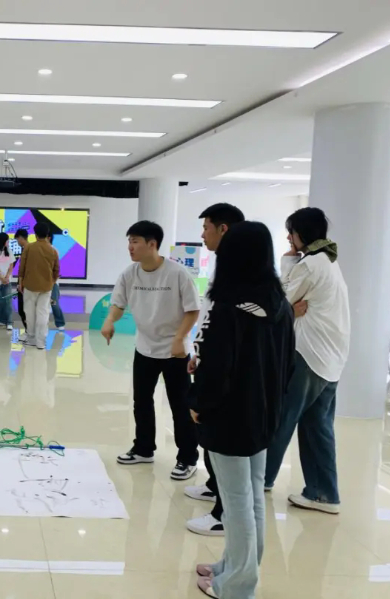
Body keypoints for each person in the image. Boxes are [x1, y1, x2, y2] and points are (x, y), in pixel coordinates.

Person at [190, 221, 295, 599]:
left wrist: (198, 404)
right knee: (250, 499)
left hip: (229, 417)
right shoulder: (280, 304)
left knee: (236, 503)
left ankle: (237, 586)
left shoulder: (229, 306)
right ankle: (234, 568)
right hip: (264, 414)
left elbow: (217, 367)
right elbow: (288, 364)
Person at [264, 207, 350, 514]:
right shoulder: (328, 261)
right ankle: (324, 494)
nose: (289, 237)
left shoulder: (311, 264)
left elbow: (279, 300)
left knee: (281, 418)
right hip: (330, 358)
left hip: (308, 354)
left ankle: (261, 479)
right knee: (317, 427)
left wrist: (287, 262)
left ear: (303, 233)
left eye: (291, 231)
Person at [102, 221, 201, 480]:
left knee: (181, 405)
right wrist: (110, 320)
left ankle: (187, 458)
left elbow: (192, 310)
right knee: (142, 401)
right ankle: (144, 448)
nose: (130, 247)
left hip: (175, 351)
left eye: (135, 241)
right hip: (145, 347)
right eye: (129, 241)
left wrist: (179, 338)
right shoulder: (129, 274)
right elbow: (118, 303)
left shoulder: (177, 273)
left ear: (152, 244)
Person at [184, 203, 245, 537]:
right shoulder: (222, 265)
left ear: (224, 229)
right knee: (208, 433)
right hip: (207, 356)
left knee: (220, 433)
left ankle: (223, 513)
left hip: (223, 368)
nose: (202, 234)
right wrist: (198, 349)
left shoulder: (239, 273)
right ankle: (213, 486)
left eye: (206, 227)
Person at [18, 223, 60, 350]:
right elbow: (56, 271)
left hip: (30, 286)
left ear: (35, 234)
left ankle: (31, 338)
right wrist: (51, 282)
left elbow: (22, 268)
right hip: (46, 287)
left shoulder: (29, 248)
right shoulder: (53, 250)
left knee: (30, 313)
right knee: (43, 313)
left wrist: (20, 283)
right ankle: (41, 341)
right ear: (47, 235)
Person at [46, 232, 66, 331]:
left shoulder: (54, 251)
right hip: (41, 283)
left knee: (54, 303)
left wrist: (53, 279)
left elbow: (56, 268)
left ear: (49, 238)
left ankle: (60, 323)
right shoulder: (38, 250)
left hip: (52, 283)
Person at [13, 229, 30, 332]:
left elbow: (22, 269)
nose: (17, 242)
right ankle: (29, 331)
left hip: (25, 284)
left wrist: (20, 284)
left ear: (20, 238)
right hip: (25, 283)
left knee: (23, 309)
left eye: (17, 240)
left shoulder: (27, 249)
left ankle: (29, 331)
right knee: (23, 309)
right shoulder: (27, 248)